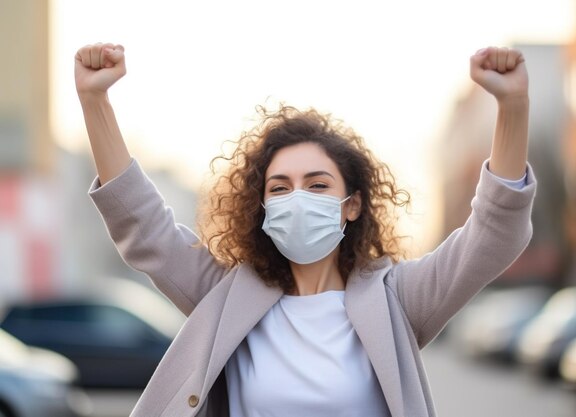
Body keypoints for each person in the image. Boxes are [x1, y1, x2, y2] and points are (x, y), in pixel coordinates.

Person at [75, 42, 535, 417]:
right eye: (280, 187)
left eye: (317, 185)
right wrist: (95, 100)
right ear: (262, 207)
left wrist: (512, 106)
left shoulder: (398, 298)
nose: (298, 198)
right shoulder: (226, 296)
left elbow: (492, 237)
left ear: (351, 205)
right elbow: (145, 227)